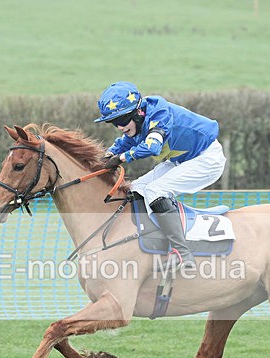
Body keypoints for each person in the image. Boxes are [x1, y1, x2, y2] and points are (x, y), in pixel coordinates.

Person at [94, 81, 226, 269]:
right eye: (114, 123)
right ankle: (153, 243)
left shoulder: (159, 114)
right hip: (183, 160)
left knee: (156, 191)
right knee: (137, 189)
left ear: (138, 113)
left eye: (122, 121)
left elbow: (152, 147)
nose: (120, 127)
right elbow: (123, 143)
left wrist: (121, 158)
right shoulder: (138, 122)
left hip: (207, 159)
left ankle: (183, 253)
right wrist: (105, 157)